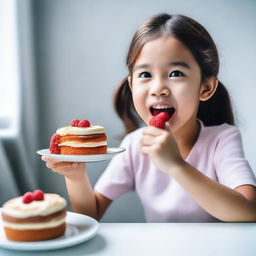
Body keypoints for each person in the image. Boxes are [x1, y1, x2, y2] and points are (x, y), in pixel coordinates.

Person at [42, 13, 256, 222]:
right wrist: (75, 176)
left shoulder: (222, 139)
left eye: (176, 73)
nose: (158, 88)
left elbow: (249, 211)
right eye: (145, 75)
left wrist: (176, 166)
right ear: (132, 85)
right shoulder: (135, 145)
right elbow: (91, 215)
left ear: (206, 87)